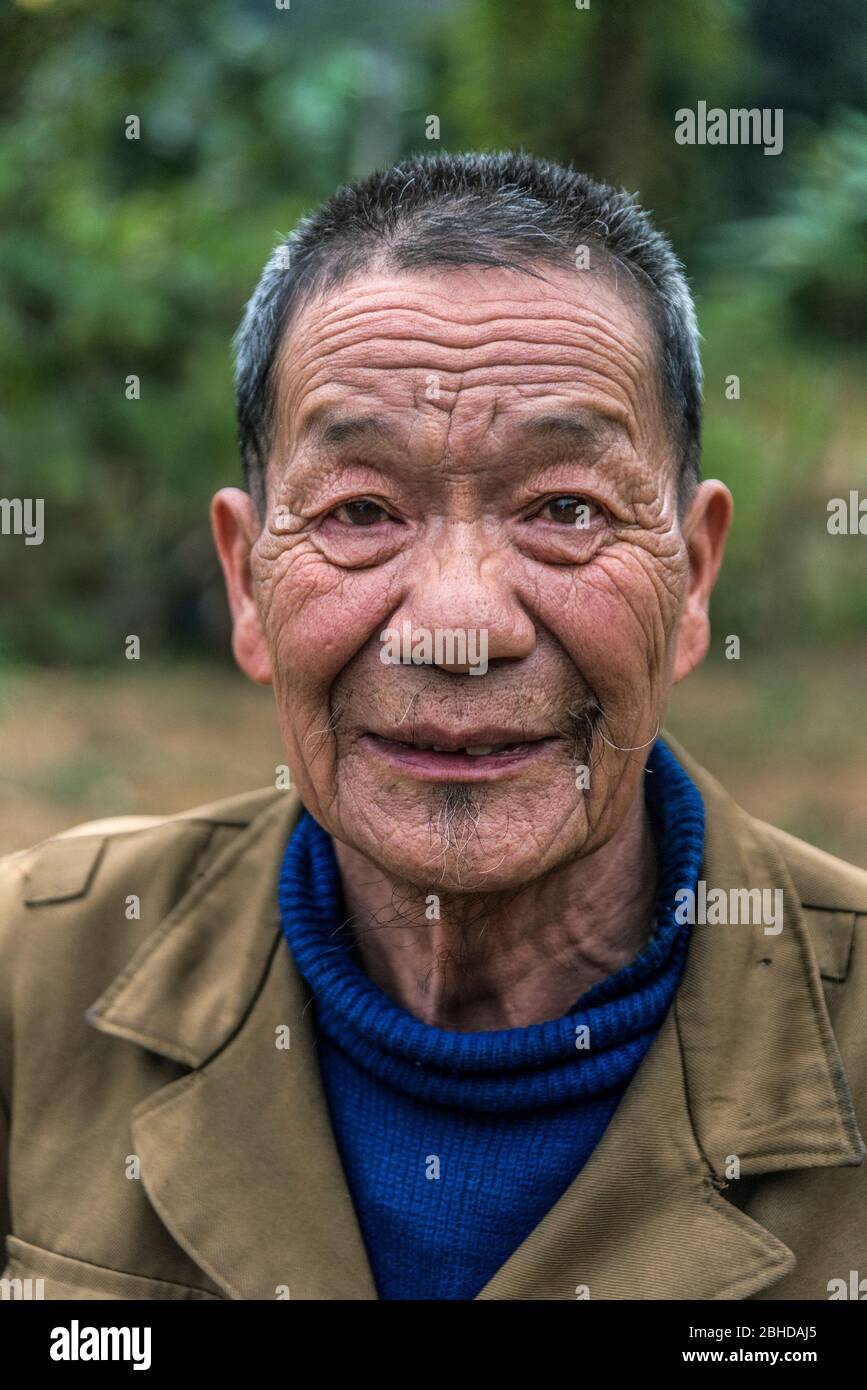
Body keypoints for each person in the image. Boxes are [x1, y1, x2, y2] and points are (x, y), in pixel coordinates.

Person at [2, 153, 865, 1302]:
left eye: (566, 508)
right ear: (248, 584)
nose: (458, 625)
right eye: (361, 512)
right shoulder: (33, 977)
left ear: (694, 578)